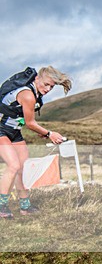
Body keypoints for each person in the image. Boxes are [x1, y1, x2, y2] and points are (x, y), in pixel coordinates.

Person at [0, 66, 71, 219]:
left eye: (52, 86)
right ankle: (1, 206)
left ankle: (25, 206)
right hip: (1, 130)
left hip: (14, 132)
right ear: (37, 79)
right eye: (46, 84)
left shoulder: (36, 94)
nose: (48, 89)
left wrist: (43, 133)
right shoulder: (27, 95)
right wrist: (49, 134)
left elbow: (25, 121)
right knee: (13, 165)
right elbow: (30, 123)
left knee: (23, 169)